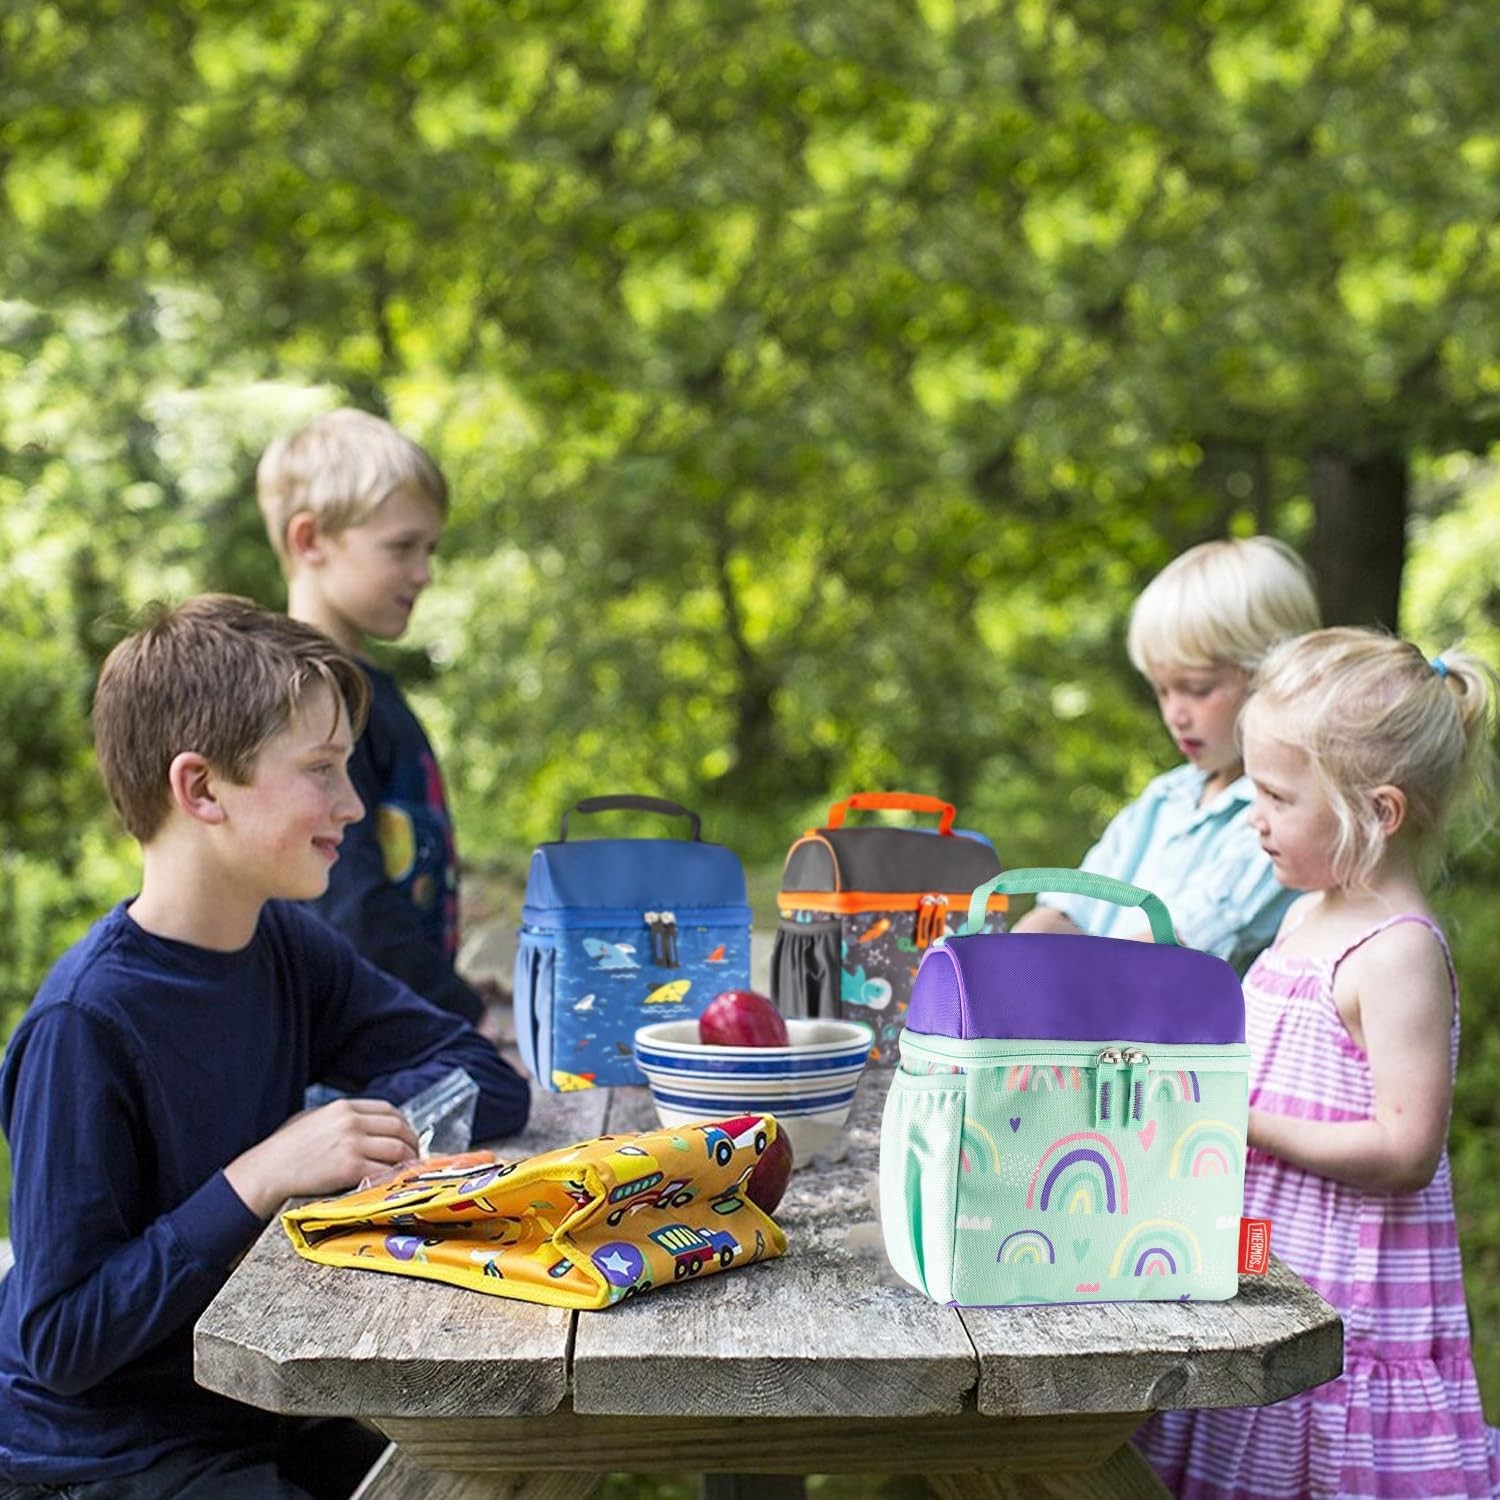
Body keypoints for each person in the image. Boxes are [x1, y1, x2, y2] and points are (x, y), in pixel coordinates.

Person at [0, 596, 531, 1499]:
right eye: (322, 770)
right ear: (201, 789)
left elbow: (487, 1079)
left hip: (266, 1402)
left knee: (500, 1472)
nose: (354, 805)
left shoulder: (286, 946)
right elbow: (62, 1338)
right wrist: (261, 1176)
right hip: (108, 1459)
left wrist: (348, 1130)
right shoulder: (83, 1026)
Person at [1137, 627, 1500, 1499]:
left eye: (1277, 797)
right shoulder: (1309, 916)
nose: (1253, 818)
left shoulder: (1396, 951)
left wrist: (1241, 1118)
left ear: (1378, 813)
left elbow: (1406, 1148)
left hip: (1351, 1297)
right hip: (1271, 1266)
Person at [256, 408, 496, 1028]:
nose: (424, 573)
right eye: (402, 548)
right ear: (310, 541)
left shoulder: (367, 689)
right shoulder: (306, 701)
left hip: (408, 1017)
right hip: (360, 1057)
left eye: (430, 548)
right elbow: (352, 909)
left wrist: (453, 985)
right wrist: (459, 1013)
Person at [1013, 536, 1321, 972]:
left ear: (1274, 679)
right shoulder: (1165, 799)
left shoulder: (1279, 815)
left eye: (1197, 689)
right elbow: (1071, 907)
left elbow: (1172, 945)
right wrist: (1011, 957)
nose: (1174, 713)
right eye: (1161, 690)